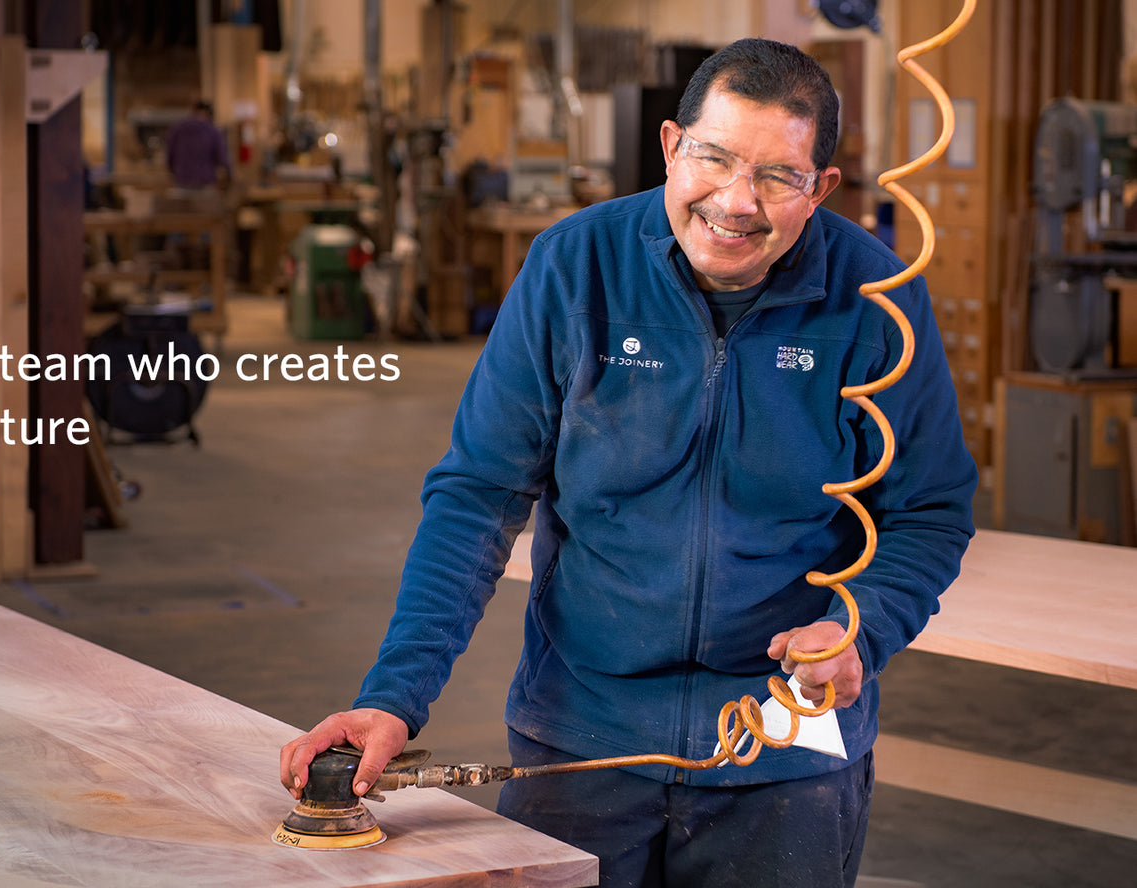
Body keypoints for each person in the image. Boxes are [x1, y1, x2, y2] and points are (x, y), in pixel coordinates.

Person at [280, 38, 976, 888]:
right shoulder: (576, 268)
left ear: (822, 187)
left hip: (784, 753)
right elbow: (479, 496)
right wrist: (394, 695)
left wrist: (863, 625)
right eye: (713, 158)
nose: (735, 202)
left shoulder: (876, 297)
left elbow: (928, 509)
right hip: (583, 741)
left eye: (778, 176)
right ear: (672, 145)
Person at [164, 100, 230, 191]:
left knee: (182, 204)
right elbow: (222, 157)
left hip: (182, 178)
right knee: (204, 204)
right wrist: (230, 175)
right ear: (208, 114)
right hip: (205, 180)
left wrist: (173, 170)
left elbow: (169, 154)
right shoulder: (213, 130)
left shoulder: (178, 128)